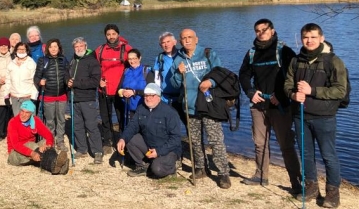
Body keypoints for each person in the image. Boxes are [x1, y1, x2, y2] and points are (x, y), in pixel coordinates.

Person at [284, 23, 347, 207]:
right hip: (300, 115)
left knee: (328, 155)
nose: (309, 41)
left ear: (321, 38)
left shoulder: (333, 61)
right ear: (301, 39)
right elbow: (287, 84)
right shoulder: (296, 61)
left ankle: (332, 193)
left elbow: (340, 91)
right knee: (306, 154)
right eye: (305, 37)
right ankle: (311, 187)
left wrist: (312, 90)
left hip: (324, 116)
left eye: (313, 37)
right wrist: (293, 94)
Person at [238, 19, 301, 192]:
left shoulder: (285, 51)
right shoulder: (252, 53)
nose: (260, 33)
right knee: (260, 143)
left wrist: (280, 96)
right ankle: (261, 175)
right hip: (258, 105)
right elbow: (243, 75)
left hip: (280, 106)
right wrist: (251, 92)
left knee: (286, 144)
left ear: (272, 31)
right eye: (257, 30)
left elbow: (294, 77)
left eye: (264, 30)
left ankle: (296, 182)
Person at [170, 28, 232, 189]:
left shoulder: (207, 54)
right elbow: (176, 84)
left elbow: (221, 74)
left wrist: (210, 82)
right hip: (189, 106)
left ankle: (223, 172)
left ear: (196, 39)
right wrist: (178, 73)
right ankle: (200, 167)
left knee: (215, 139)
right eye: (184, 38)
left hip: (209, 105)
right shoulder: (178, 60)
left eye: (190, 37)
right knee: (195, 140)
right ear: (180, 40)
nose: (187, 40)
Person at [117, 83, 181, 178]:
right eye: (146, 95)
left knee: (157, 169)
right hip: (149, 146)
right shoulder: (141, 109)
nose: (148, 98)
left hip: (168, 150)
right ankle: (142, 165)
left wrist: (159, 152)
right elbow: (132, 126)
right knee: (130, 138)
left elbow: (176, 139)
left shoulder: (170, 113)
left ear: (158, 97)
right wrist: (123, 139)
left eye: (152, 95)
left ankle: (172, 167)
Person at [95, 23, 132, 154]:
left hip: (120, 91)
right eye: (108, 34)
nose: (111, 37)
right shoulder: (99, 50)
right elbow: (94, 69)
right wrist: (98, 80)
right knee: (105, 117)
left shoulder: (126, 49)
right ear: (105, 35)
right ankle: (107, 141)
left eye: (113, 34)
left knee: (122, 117)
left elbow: (133, 67)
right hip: (104, 90)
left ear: (118, 34)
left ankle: (123, 140)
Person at [6, 101, 70, 175]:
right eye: (22, 111)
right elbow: (16, 145)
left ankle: (57, 166)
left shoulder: (35, 120)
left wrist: (47, 145)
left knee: (45, 142)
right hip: (15, 154)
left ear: (31, 114)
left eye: (27, 112)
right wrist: (32, 153)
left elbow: (48, 135)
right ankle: (56, 164)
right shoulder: (13, 122)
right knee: (32, 145)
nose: (23, 115)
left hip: (33, 150)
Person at [68, 37, 103, 164]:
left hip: (87, 98)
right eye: (76, 47)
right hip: (74, 98)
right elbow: (68, 75)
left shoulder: (92, 61)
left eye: (81, 46)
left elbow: (94, 81)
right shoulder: (73, 60)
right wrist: (68, 81)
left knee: (91, 125)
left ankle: (97, 151)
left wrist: (76, 83)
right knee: (77, 125)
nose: (78, 49)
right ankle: (82, 148)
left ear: (86, 47)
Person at [34, 39, 69, 151]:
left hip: (62, 95)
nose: (53, 49)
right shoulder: (42, 60)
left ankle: (60, 141)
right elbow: (36, 77)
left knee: (61, 120)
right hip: (48, 95)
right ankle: (50, 141)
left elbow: (67, 74)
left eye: (55, 46)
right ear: (47, 49)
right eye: (51, 47)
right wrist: (40, 82)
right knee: (50, 120)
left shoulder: (63, 60)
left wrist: (69, 81)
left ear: (59, 48)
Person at [118, 48, 155, 117]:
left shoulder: (146, 72)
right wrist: (123, 92)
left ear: (139, 58)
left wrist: (134, 92)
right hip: (128, 108)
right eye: (130, 59)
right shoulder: (126, 71)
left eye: (134, 58)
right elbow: (119, 88)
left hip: (143, 108)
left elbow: (152, 92)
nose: (132, 61)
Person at [7, 42, 38, 116]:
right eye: (19, 49)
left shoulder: (31, 63)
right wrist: (7, 93)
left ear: (27, 51)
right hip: (15, 97)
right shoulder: (11, 63)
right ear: (16, 50)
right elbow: (8, 80)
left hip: (27, 96)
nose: (21, 51)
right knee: (17, 119)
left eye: (23, 49)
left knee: (29, 119)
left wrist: (33, 96)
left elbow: (35, 81)